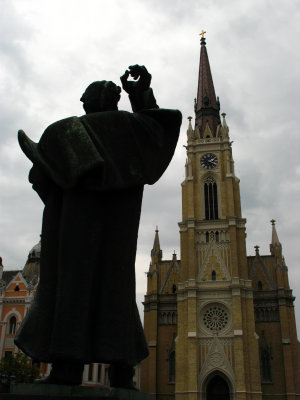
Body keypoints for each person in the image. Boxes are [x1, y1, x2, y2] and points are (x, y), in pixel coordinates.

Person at [15, 65, 182, 388]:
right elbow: (159, 127)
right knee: (116, 291)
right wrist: (142, 94)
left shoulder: (65, 131)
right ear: (115, 100)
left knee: (73, 289)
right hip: (119, 233)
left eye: (85, 97)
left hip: (77, 229)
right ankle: (121, 371)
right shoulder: (132, 129)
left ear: (88, 101)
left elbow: (43, 177)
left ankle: (67, 368)